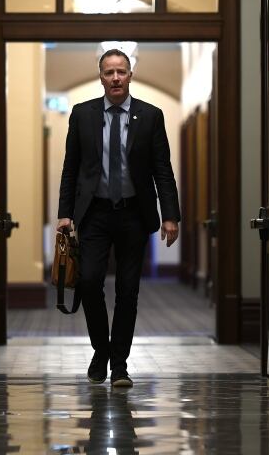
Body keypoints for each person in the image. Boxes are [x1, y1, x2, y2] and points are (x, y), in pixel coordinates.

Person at [57, 48, 181, 388]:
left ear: (130, 75)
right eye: (109, 72)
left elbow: (162, 169)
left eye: (121, 72)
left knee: (128, 291)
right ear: (101, 77)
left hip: (133, 215)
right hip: (94, 213)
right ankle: (102, 350)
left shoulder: (151, 115)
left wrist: (170, 215)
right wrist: (64, 213)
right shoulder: (82, 115)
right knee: (89, 281)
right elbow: (72, 168)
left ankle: (120, 365)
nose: (115, 77)